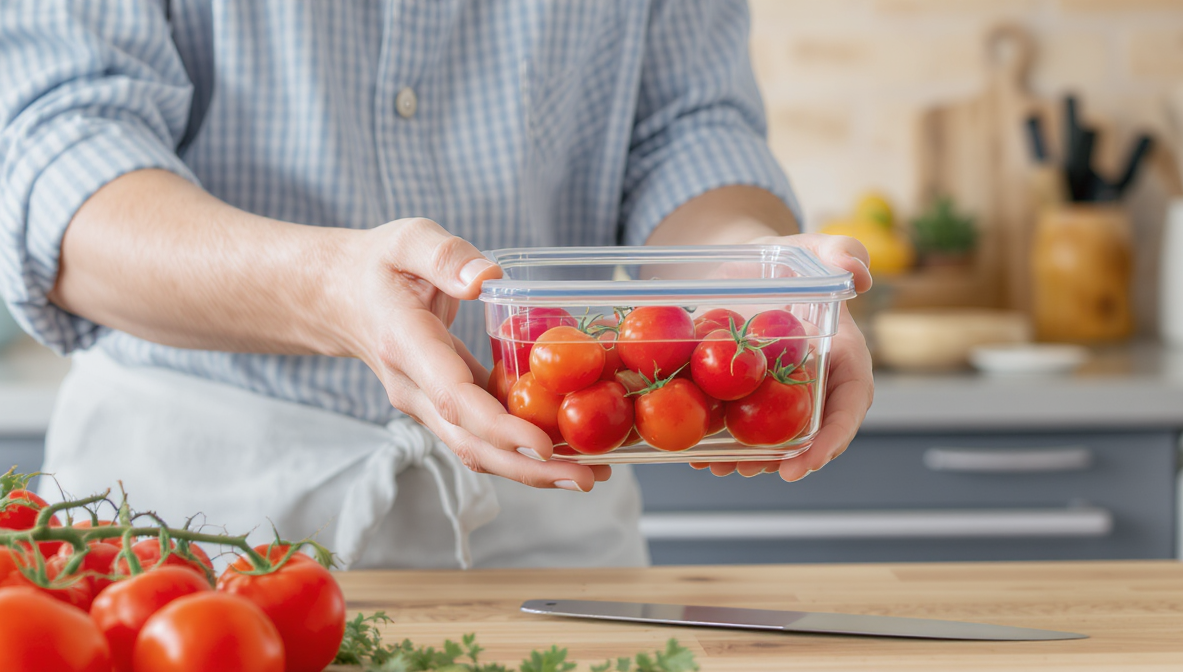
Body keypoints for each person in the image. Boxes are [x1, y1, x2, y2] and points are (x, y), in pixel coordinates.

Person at [0, 1, 873, 569]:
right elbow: (60, 162)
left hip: (539, 520)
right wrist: (322, 289)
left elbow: (689, 128)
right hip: (181, 532)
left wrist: (743, 278)